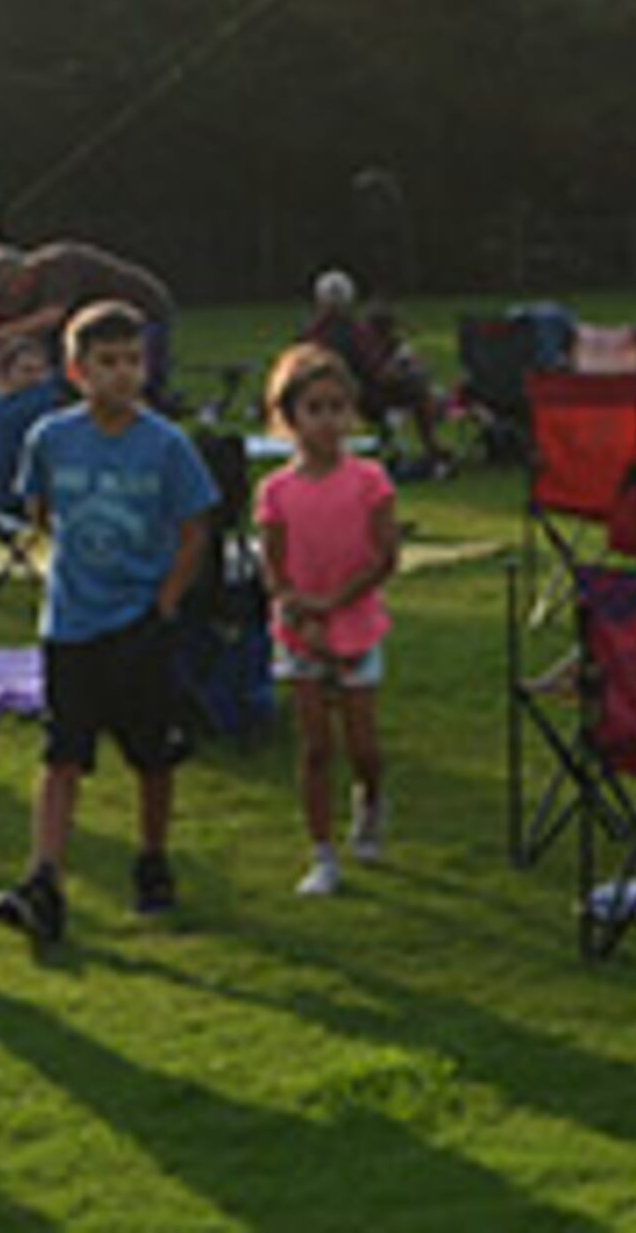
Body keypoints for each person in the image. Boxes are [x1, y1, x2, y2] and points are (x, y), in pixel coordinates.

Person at [0, 300, 217, 946]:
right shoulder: (52, 438)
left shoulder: (165, 445)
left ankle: (152, 857)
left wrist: (167, 599)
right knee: (61, 754)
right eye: (107, 362)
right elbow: (37, 507)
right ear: (76, 370)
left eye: (133, 361)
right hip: (71, 625)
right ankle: (45, 877)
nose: (122, 375)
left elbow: (194, 526)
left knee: (151, 755)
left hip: (139, 621)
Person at [256, 343, 401, 898]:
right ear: (290, 418)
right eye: (314, 409)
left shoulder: (369, 480)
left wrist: (334, 604)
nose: (328, 421)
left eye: (337, 408)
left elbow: (383, 558)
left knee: (362, 744)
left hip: (357, 623)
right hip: (300, 632)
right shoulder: (276, 491)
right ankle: (322, 853)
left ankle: (370, 801)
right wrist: (301, 613)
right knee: (316, 747)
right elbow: (273, 567)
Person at [0, 239, 181, 412]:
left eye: (13, 291)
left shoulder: (60, 265)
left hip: (143, 310)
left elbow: (52, 315)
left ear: (23, 276)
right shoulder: (31, 291)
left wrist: (1, 333)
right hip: (96, 320)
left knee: (138, 371)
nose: (16, 298)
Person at [301, 270, 445, 477]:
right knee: (419, 391)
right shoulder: (356, 334)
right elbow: (379, 373)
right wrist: (408, 372)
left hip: (317, 398)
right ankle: (432, 447)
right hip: (363, 398)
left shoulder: (309, 335)